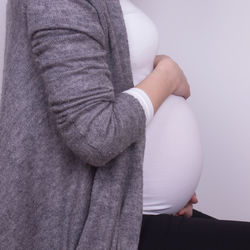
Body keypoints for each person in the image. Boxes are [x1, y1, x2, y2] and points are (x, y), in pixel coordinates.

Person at [0, 1, 250, 250]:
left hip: (129, 208)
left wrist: (171, 190)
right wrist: (168, 76)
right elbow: (94, 136)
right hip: (102, 227)